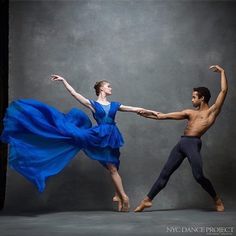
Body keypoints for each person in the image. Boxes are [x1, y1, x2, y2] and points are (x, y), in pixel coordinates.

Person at [0, 75, 143, 212]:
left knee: (113, 166)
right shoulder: (92, 104)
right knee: (112, 167)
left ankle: (118, 196)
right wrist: (64, 81)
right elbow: (74, 94)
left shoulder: (114, 105)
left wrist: (152, 113)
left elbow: (134, 109)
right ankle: (124, 196)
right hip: (97, 136)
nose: (111, 88)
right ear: (101, 89)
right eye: (108, 86)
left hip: (111, 136)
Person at [134, 65, 227, 212]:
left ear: (202, 98)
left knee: (198, 176)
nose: (192, 100)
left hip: (193, 143)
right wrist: (145, 113)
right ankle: (147, 200)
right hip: (182, 143)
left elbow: (223, 91)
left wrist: (222, 72)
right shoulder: (189, 112)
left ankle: (216, 199)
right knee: (165, 173)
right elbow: (163, 116)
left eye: (194, 97)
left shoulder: (211, 113)